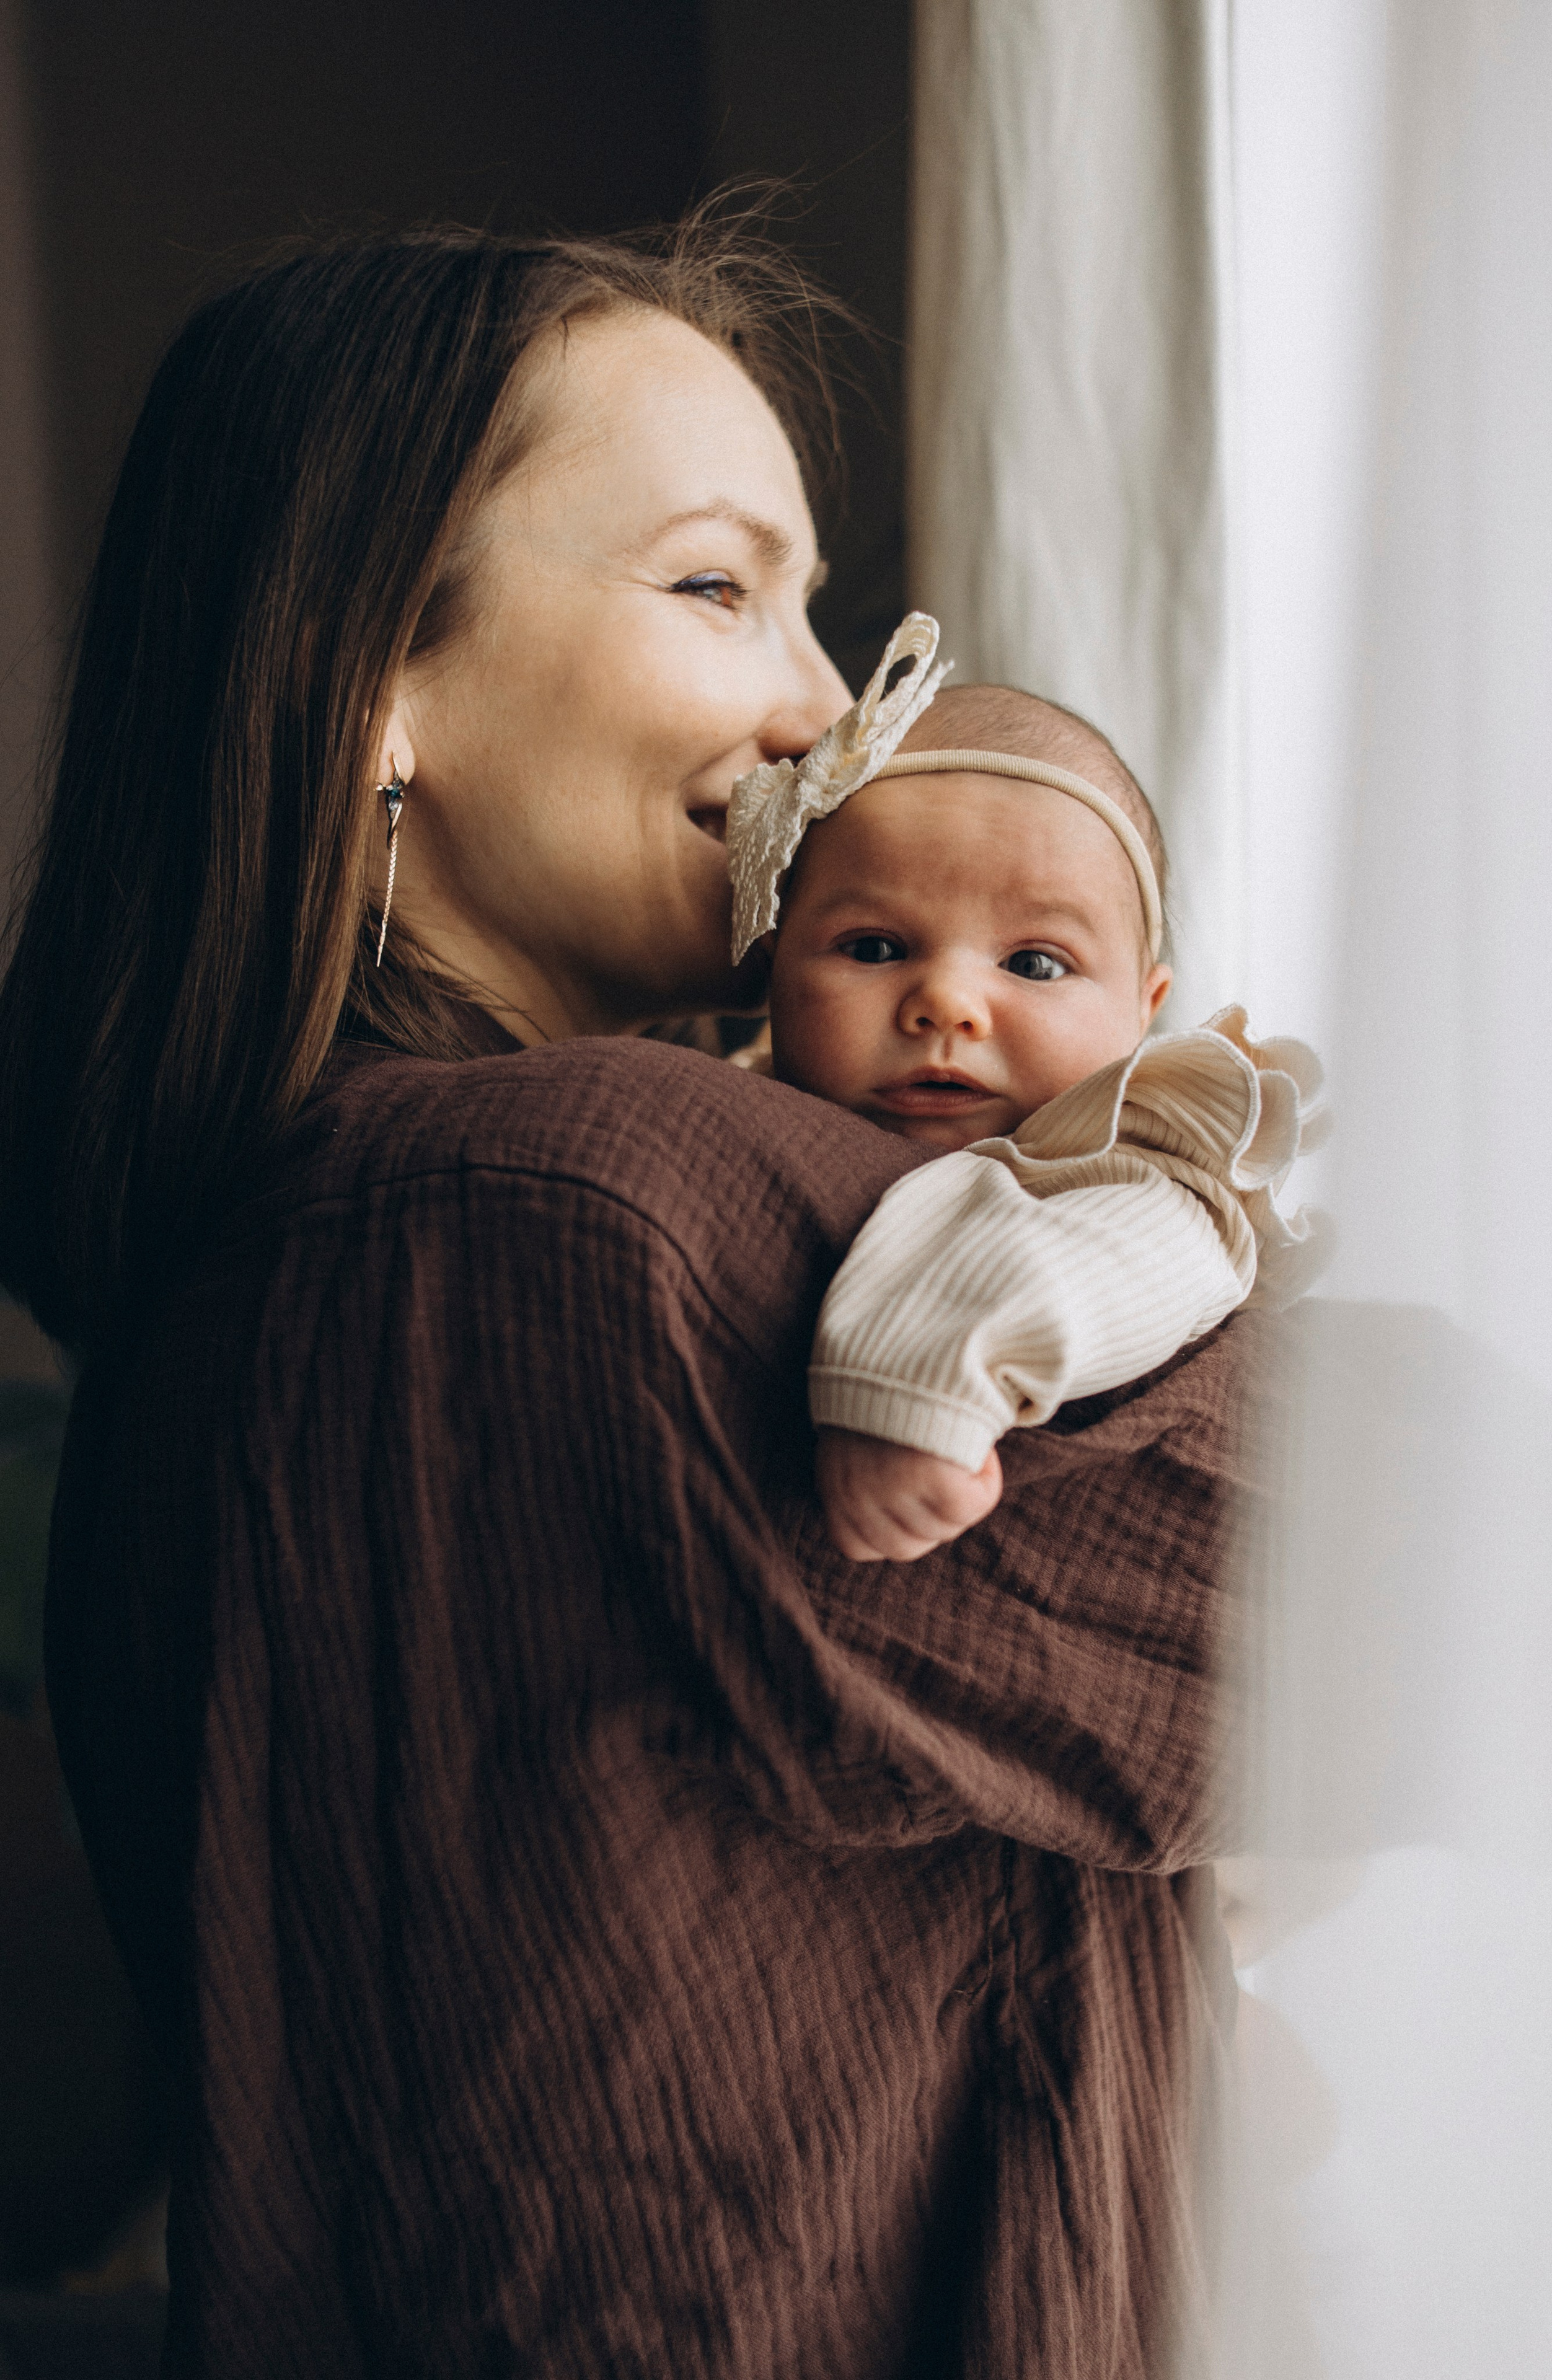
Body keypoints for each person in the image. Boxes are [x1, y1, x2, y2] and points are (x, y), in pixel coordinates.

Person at [0, 216, 1266, 2377]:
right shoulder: (599, 1203)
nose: (826, 710)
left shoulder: (246, 1274)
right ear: (374, 680)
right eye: (718, 585)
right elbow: (1426, 1578)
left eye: (815, 606)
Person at [721, 616, 1325, 1560]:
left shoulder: (1142, 1156)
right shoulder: (731, 1108)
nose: (948, 1003)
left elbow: (1120, 1263)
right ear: (774, 967)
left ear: (1142, 1010)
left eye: (1037, 964)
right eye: (875, 948)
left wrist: (920, 1389)